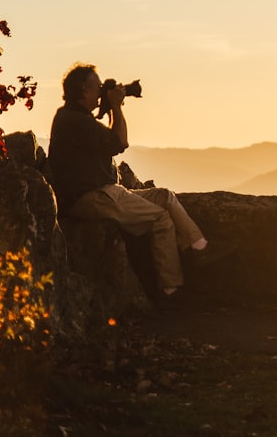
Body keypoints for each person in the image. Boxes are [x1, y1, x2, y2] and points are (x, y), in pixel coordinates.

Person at [48, 62, 223, 308]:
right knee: (160, 218)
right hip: (90, 196)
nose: (101, 92)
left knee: (164, 196)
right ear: (83, 90)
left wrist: (111, 106)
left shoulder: (75, 118)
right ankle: (171, 290)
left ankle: (199, 247)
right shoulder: (74, 120)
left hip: (103, 192)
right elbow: (119, 142)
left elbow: (110, 141)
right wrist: (116, 108)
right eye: (97, 87)